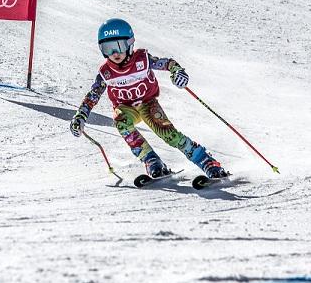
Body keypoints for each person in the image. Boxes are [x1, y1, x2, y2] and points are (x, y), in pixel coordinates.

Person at [69, 18, 229, 179]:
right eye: (108, 48)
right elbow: (93, 95)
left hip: (148, 104)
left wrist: (177, 72)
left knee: (168, 134)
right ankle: (151, 160)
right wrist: (80, 116)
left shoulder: (142, 59)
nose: (114, 53)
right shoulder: (106, 72)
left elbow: (167, 63)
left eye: (119, 46)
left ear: (130, 44)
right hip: (126, 108)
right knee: (121, 121)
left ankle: (206, 161)